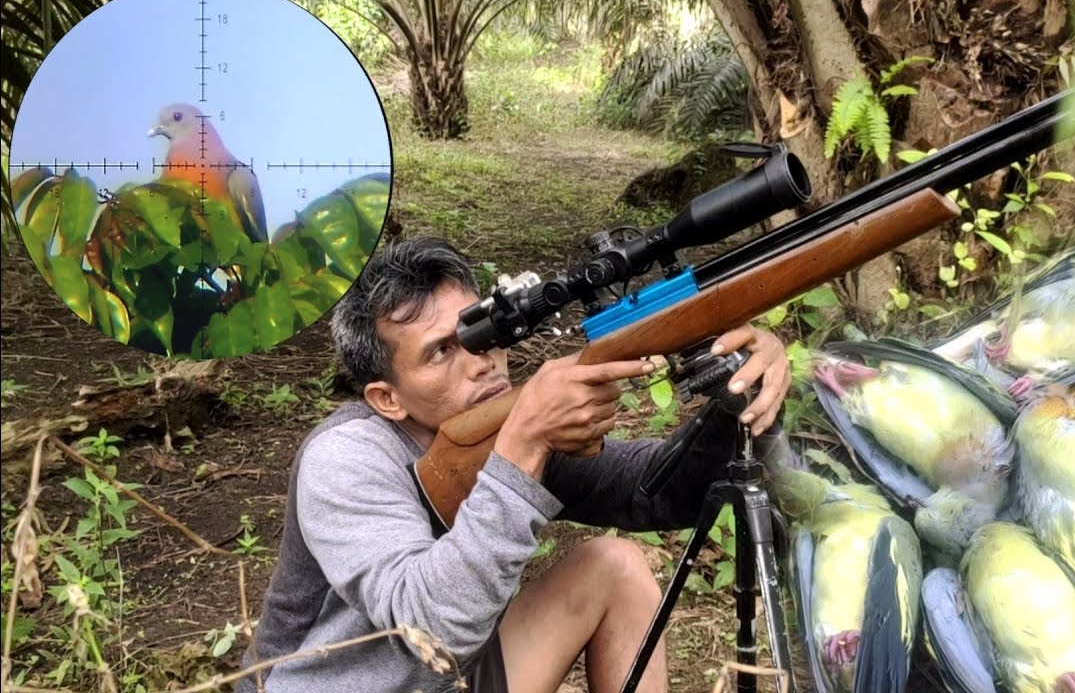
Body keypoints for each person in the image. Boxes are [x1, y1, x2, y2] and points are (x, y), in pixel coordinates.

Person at [239, 236, 791, 693]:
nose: (480, 363)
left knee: (616, 568)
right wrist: (524, 444)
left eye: (480, 334)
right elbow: (431, 628)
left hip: (455, 680)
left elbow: (658, 494)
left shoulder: (493, 430)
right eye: (440, 352)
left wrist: (740, 390)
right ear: (388, 398)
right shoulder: (344, 457)